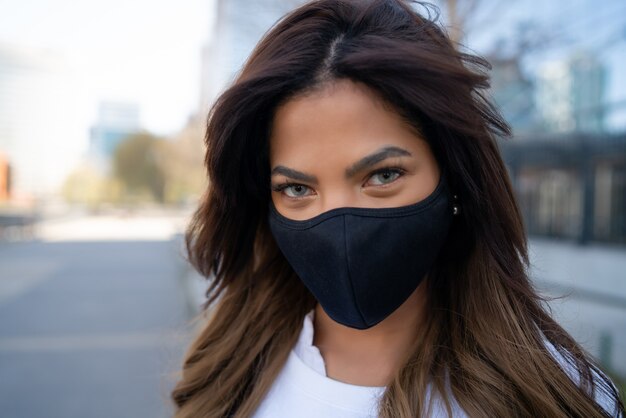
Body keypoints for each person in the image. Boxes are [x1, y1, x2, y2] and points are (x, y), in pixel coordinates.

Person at [171, 0, 625, 417]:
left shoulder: (556, 397)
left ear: (454, 178)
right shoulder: (227, 372)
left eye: (383, 176)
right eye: (296, 188)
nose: (339, 224)